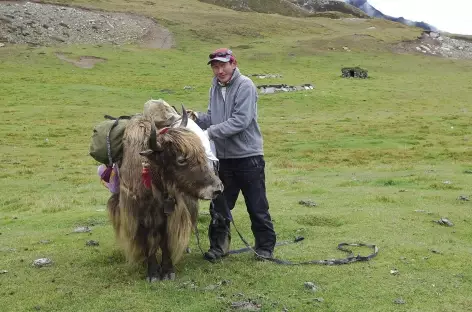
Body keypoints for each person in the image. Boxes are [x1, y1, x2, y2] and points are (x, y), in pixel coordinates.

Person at [191, 48, 276, 261]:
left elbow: (241, 120)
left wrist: (208, 133)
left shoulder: (245, 85)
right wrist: (195, 118)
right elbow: (213, 117)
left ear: (233, 63)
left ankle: (265, 247)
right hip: (223, 160)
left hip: (249, 157)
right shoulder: (215, 87)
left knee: (257, 206)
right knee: (219, 205)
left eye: (223, 65)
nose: (219, 71)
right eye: (215, 67)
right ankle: (219, 248)